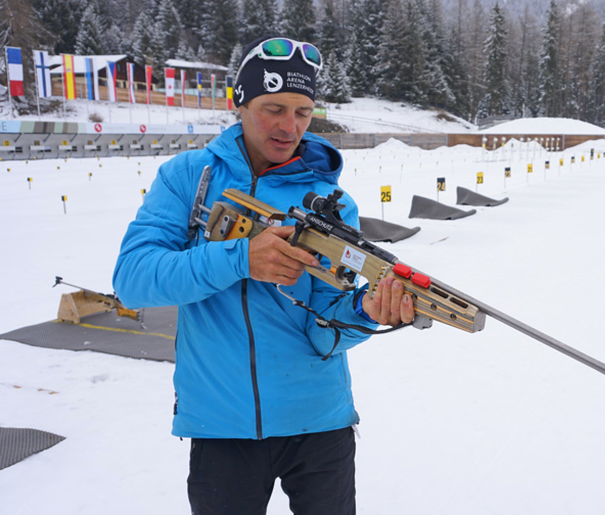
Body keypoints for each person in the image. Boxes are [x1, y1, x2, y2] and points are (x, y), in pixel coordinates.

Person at [113, 36, 414, 515]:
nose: (288, 126)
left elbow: (325, 328)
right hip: (221, 427)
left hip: (320, 424)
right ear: (240, 102)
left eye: (302, 111)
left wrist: (365, 311)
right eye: (273, 108)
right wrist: (239, 259)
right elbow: (132, 278)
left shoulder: (332, 202)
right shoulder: (190, 178)